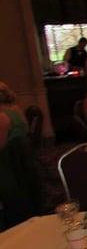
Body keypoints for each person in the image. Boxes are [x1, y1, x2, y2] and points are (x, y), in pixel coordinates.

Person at [0, 82, 41, 229]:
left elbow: (1, 147)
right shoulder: (16, 109)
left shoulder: (2, 117)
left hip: (11, 161)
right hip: (25, 157)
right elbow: (26, 128)